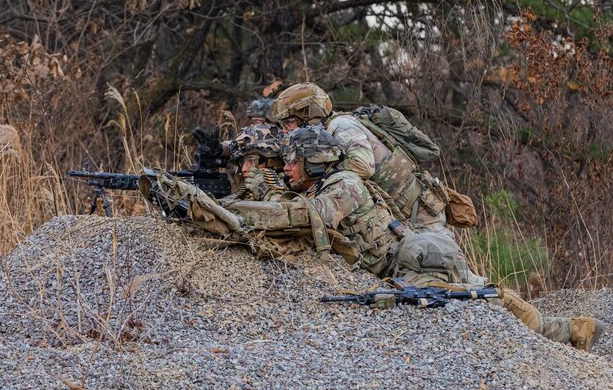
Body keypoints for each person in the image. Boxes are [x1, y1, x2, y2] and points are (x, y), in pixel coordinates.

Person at [240, 125, 604, 352]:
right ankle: (574, 329)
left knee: (484, 302)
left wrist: (239, 208)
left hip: (413, 260)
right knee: (485, 294)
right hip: (417, 255)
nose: (286, 167)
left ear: (315, 162)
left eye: (293, 161)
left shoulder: (344, 185)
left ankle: (570, 331)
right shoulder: (331, 184)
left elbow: (303, 216)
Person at [270, 82, 454, 240]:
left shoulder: (340, 126)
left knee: (437, 267)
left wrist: (318, 176)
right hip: (402, 212)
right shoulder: (324, 133)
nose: (286, 131)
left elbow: (363, 167)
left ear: (309, 115)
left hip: (419, 214)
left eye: (289, 123)